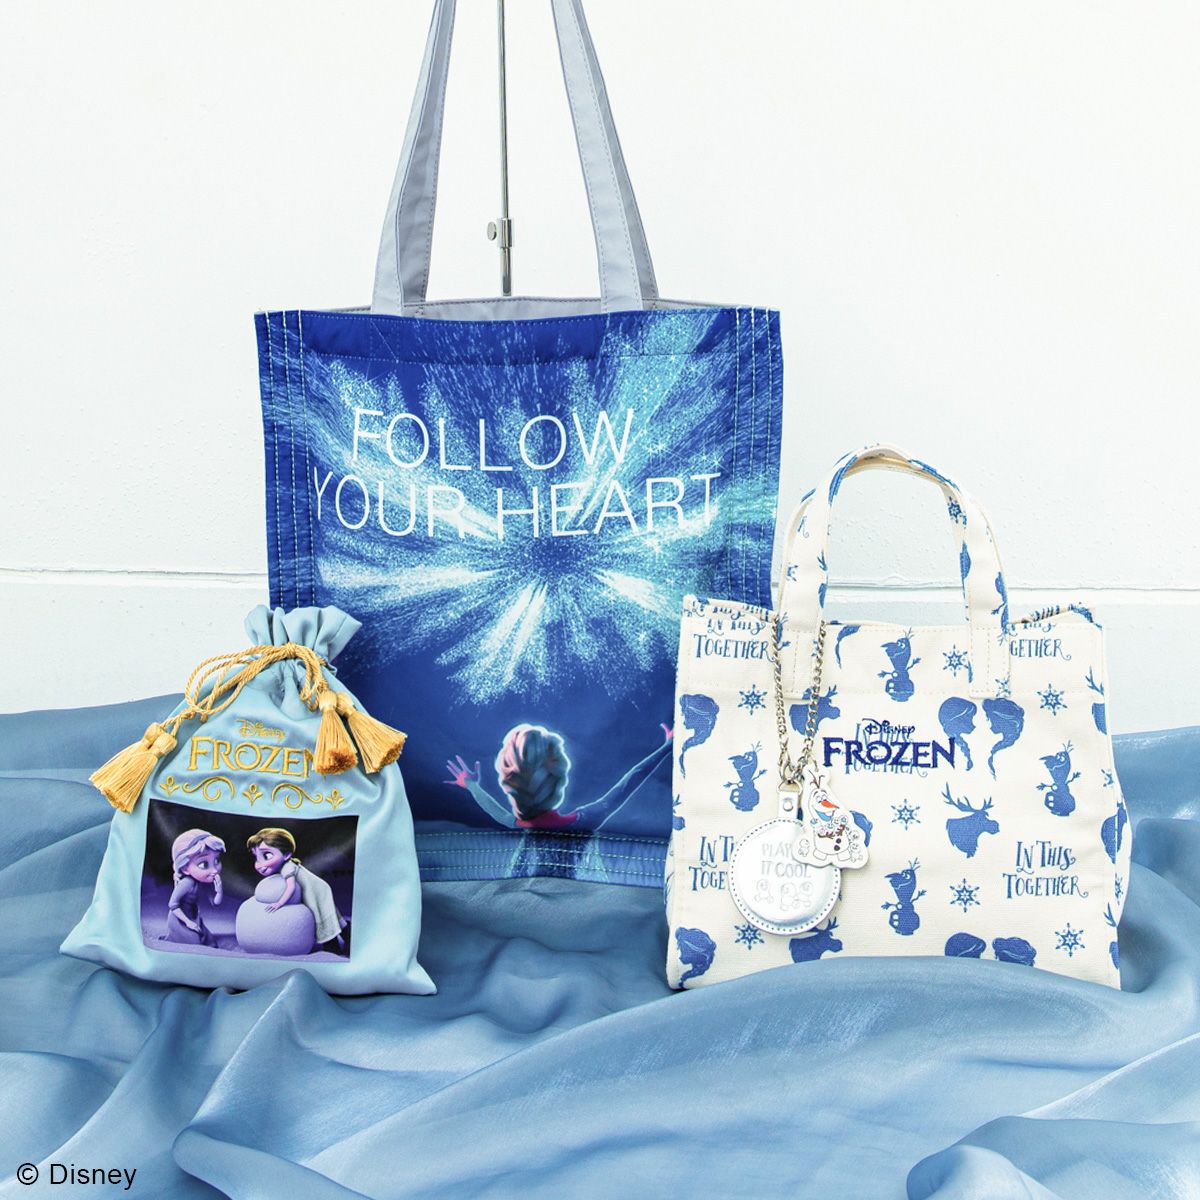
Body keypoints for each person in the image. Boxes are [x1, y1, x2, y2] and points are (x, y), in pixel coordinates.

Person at [246, 828, 349, 954]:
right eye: (256, 858)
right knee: (329, 913)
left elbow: (291, 887)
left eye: (267, 856)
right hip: (314, 889)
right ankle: (345, 933)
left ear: (286, 855)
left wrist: (279, 903)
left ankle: (332, 944)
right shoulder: (283, 867)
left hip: (316, 890)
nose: (259, 864)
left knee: (320, 915)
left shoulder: (288, 868)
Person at [166, 829, 225, 946]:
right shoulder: (187, 883)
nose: (214, 870)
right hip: (180, 919)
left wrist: (219, 891)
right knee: (194, 942)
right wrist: (188, 922)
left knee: (210, 942)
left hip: (194, 916)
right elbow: (172, 905)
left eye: (216, 860)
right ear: (185, 868)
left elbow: (215, 903)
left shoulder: (202, 882)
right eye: (203, 864)